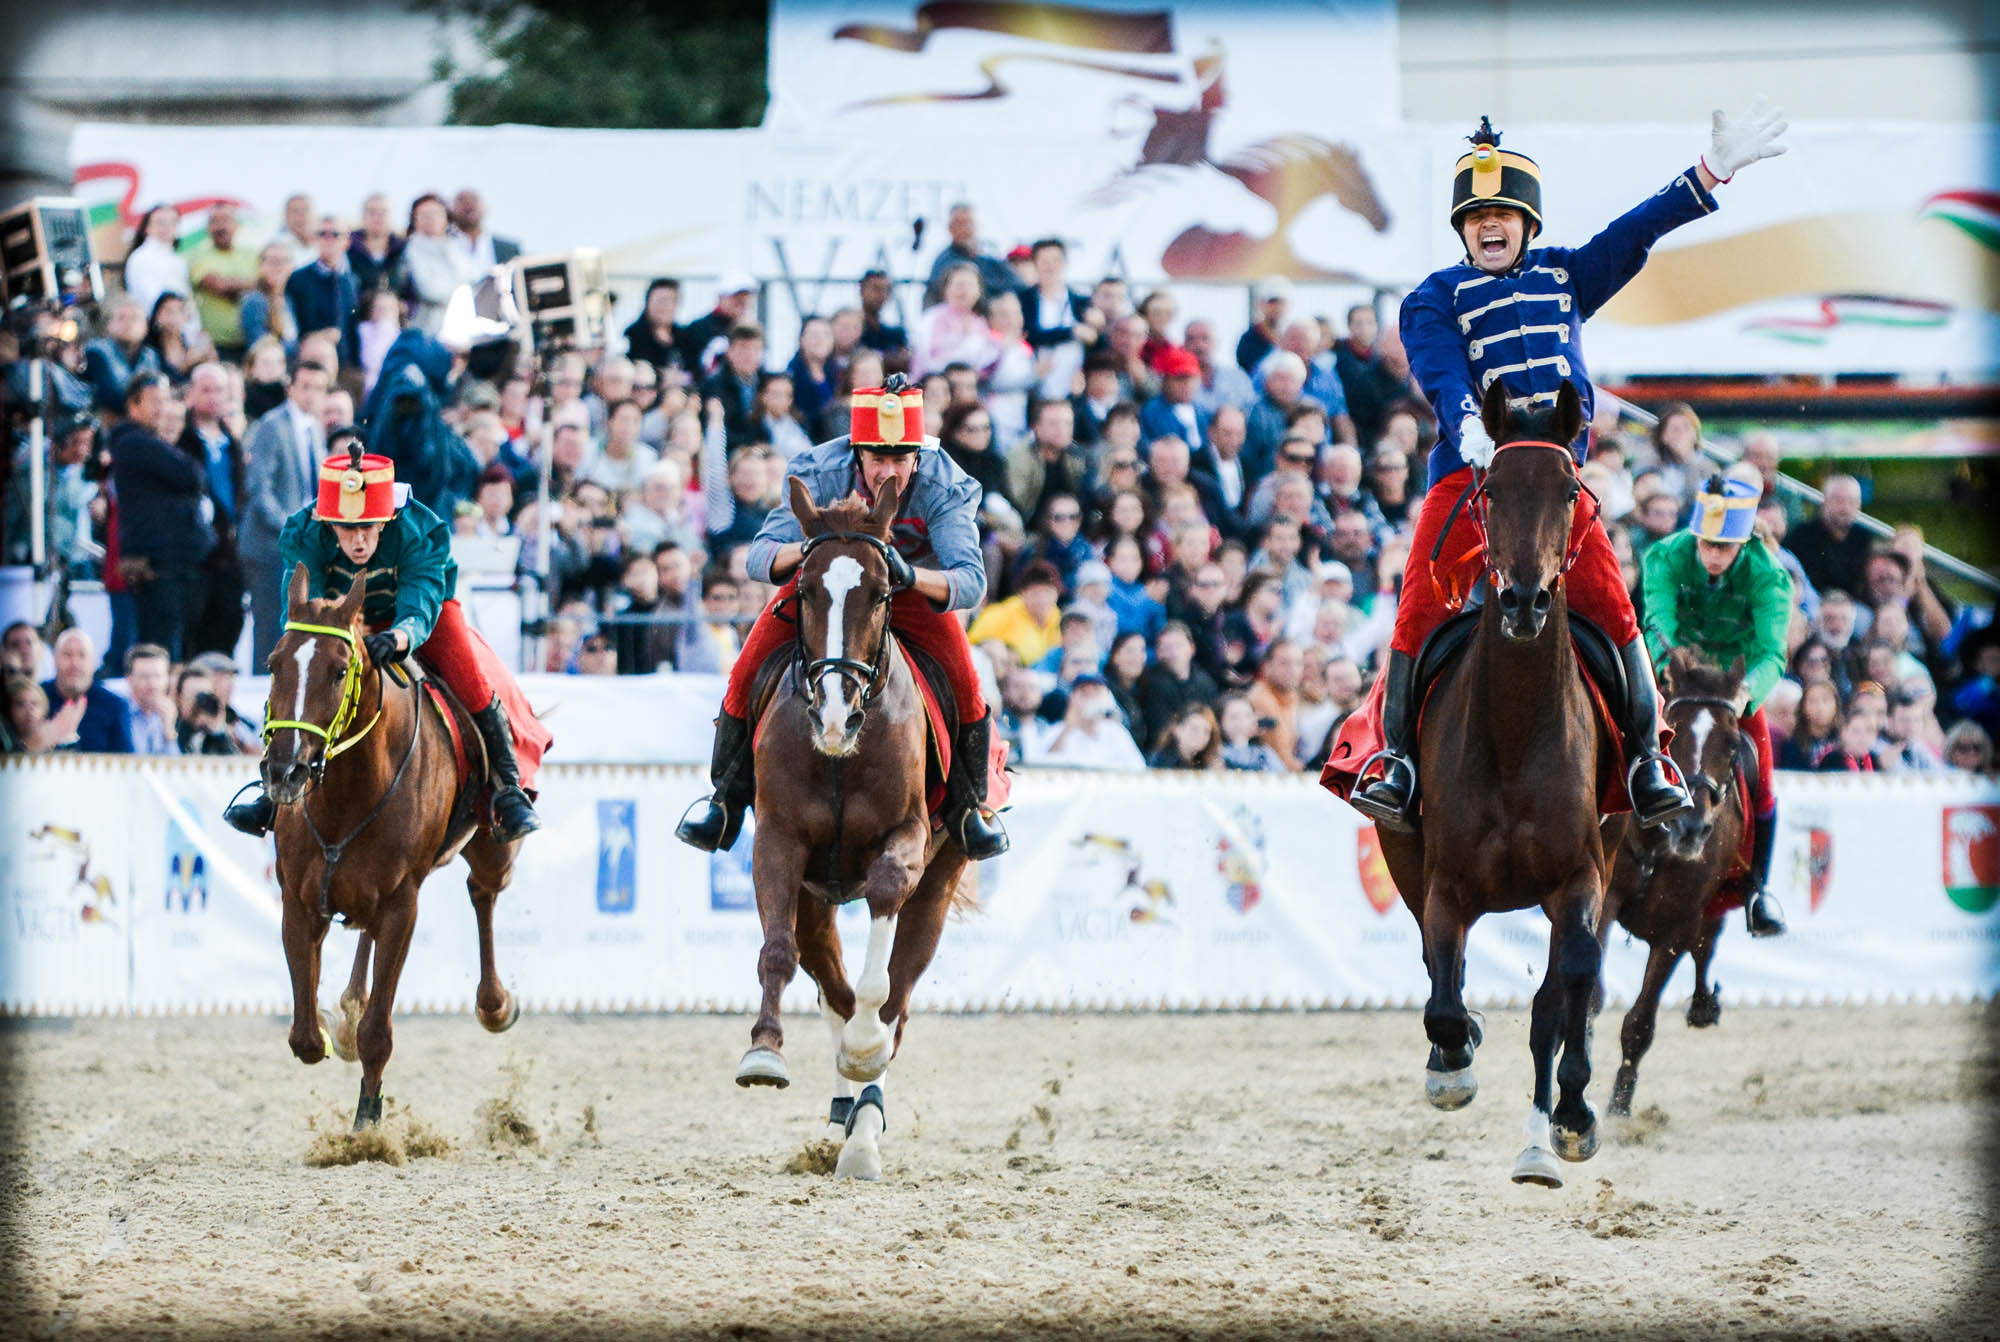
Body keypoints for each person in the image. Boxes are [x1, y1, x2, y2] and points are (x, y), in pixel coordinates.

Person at [1351, 104, 1788, 833]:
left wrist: (1712, 172)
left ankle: (1649, 756)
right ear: (1462, 229)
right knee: (1419, 607)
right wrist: (1467, 429)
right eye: (1477, 215)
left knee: (1615, 610)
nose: (1490, 225)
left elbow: (1635, 232)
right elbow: (1441, 373)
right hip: (1471, 476)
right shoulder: (1433, 296)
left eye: (1504, 213)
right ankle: (1396, 758)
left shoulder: (1567, 276)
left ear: (1528, 223)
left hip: (1556, 485)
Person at [675, 378, 1009, 860]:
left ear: (917, 455)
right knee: (748, 667)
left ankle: (969, 808)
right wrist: (814, 551)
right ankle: (723, 801)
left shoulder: (943, 482)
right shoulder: (819, 468)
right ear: (857, 454)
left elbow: (970, 581)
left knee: (965, 680)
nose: (890, 473)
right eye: (878, 460)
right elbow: (759, 557)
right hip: (827, 583)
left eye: (901, 459)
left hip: (909, 586)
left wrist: (910, 574)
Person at [223, 436, 546, 842]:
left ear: (385, 521)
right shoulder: (306, 533)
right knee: (299, 670)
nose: (358, 541)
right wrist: (313, 639)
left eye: (368, 528)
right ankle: (272, 794)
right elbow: (306, 600)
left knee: (471, 681)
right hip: (340, 617)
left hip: (420, 613)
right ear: (329, 524)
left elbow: (421, 596)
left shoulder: (416, 531)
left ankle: (508, 790)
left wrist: (398, 637)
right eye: (346, 529)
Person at [1640, 475, 1792, 937]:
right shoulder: (1663, 556)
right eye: (1706, 544)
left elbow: (1772, 653)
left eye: (1724, 548)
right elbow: (1657, 619)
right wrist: (1668, 662)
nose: (1712, 555)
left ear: (1743, 544)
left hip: (1734, 685)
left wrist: (1747, 690)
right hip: (1679, 677)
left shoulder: (1770, 578)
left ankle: (1757, 889)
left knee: (1762, 778)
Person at [110, 373, 214, 661]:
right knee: (160, 645)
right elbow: (191, 474)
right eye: (153, 401)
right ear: (133, 405)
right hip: (158, 565)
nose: (161, 408)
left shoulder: (148, 443)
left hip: (175, 562)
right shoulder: (134, 442)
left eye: (164, 400)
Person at [40, 628, 131, 753]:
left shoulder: (115, 706)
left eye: (82, 655)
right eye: (67, 654)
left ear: (93, 662)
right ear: (54, 659)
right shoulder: (35, 698)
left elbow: (125, 763)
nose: (74, 663)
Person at [185, 201, 257, 357]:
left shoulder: (252, 255)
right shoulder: (199, 255)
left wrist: (236, 286)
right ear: (207, 228)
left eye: (226, 220)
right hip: (217, 346)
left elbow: (269, 284)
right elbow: (219, 286)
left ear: (237, 225)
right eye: (214, 221)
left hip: (253, 343)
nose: (220, 226)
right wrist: (253, 284)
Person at [1147, 702, 1222, 770]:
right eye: (1194, 729)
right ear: (1177, 729)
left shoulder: (1207, 763)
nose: (1201, 735)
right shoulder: (1160, 761)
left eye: (1206, 731)